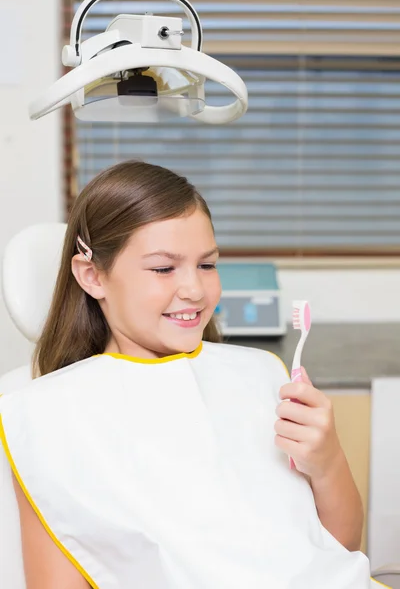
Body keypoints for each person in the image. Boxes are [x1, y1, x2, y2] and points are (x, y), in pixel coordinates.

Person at [0, 161, 371, 589]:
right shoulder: (47, 419)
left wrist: (326, 462)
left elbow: (340, 552)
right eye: (163, 268)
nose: (195, 289)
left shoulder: (262, 376)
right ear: (92, 276)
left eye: (207, 265)